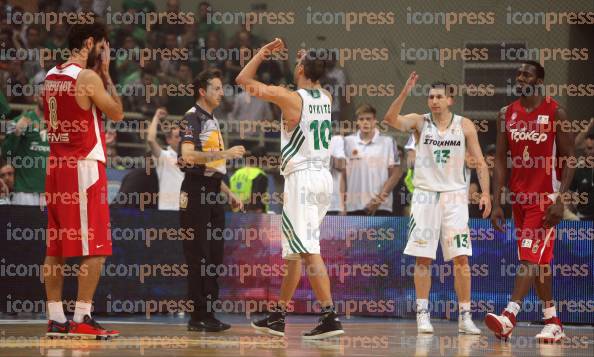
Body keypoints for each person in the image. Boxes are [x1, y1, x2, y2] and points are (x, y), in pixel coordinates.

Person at [236, 39, 344, 339]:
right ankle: (278, 316)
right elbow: (312, 78)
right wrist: (307, 62)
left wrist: (261, 52)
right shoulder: (325, 96)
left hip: (303, 178)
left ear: (299, 68)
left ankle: (330, 316)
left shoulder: (290, 98)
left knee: (308, 249)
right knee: (295, 252)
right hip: (322, 178)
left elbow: (242, 80)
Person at [384, 73, 491, 335]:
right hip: (425, 195)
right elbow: (390, 119)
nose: (434, 101)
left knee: (461, 259)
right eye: (431, 97)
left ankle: (465, 316)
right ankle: (423, 314)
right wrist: (404, 93)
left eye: (439, 97)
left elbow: (479, 161)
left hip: (455, 197)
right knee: (424, 258)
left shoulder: (464, 125)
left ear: (450, 100)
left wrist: (486, 193)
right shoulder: (420, 123)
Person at [42, 19, 124, 339]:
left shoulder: (51, 75)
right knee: (97, 247)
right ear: (90, 44)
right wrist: (107, 75)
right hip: (83, 167)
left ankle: (55, 318)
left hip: (56, 166)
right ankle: (82, 317)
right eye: (103, 46)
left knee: (57, 247)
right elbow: (117, 112)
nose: (105, 52)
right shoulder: (88, 76)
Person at [486, 61, 575, 343]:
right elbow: (500, 159)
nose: (521, 77)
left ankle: (509, 316)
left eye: (527, 74)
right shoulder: (506, 113)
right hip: (518, 200)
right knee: (539, 261)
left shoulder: (555, 112)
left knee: (528, 257)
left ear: (539, 81)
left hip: (544, 200)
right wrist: (498, 199)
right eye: (519, 73)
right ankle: (552, 320)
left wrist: (561, 200)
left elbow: (571, 157)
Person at [178, 68, 245, 332]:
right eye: (216, 88)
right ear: (202, 91)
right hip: (195, 192)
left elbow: (214, 165)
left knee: (214, 256)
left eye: (222, 88)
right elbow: (188, 155)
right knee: (199, 257)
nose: (221, 92)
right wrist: (226, 153)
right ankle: (197, 316)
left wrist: (229, 193)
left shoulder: (213, 120)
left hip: (213, 190)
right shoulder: (191, 118)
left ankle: (209, 313)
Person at [344, 104, 402, 216]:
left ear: (375, 121)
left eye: (368, 119)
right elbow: (342, 175)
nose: (365, 122)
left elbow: (395, 174)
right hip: (353, 207)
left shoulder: (388, 142)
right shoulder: (347, 142)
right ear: (357, 122)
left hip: (381, 207)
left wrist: (378, 200)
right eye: (361, 119)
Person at [1, 94, 49, 206]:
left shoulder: (59, 124)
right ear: (36, 97)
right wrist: (16, 133)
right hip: (25, 192)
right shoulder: (18, 120)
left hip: (50, 192)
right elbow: (5, 153)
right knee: (23, 224)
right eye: (43, 95)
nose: (46, 98)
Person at [146, 107, 184, 210]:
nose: (180, 140)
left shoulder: (191, 159)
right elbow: (150, 139)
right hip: (167, 211)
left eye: (182, 136)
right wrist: (156, 117)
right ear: (168, 140)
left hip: (187, 212)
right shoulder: (163, 156)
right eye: (177, 136)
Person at [229, 146, 270, 213]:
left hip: (234, 215)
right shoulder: (260, 175)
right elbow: (256, 201)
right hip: (251, 217)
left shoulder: (236, 174)